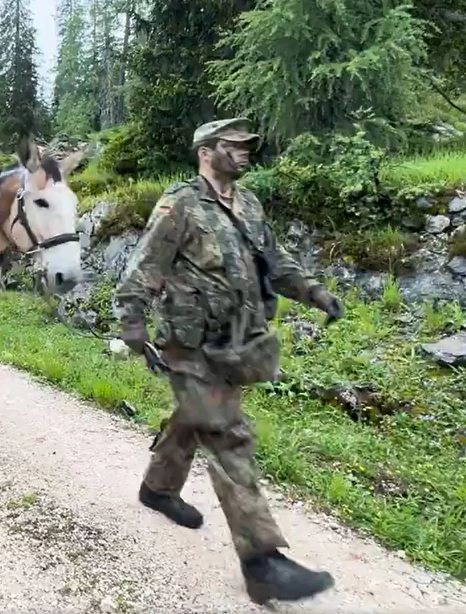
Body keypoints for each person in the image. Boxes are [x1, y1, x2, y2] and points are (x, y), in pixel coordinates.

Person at [114, 118, 345, 605]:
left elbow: (275, 263)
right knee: (227, 432)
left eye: (247, 147)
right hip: (187, 342)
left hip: (235, 343)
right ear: (206, 152)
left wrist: (314, 292)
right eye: (234, 147)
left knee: (196, 418)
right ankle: (262, 562)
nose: (244, 153)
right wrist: (132, 321)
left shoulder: (250, 205)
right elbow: (145, 265)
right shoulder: (181, 204)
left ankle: (157, 489)